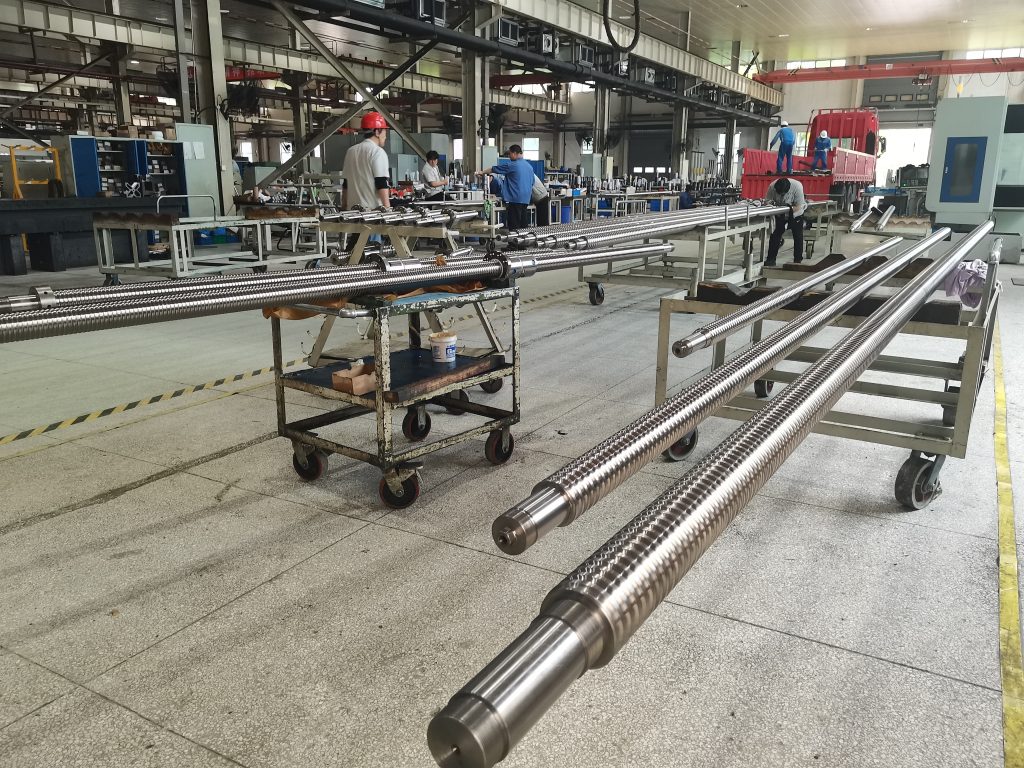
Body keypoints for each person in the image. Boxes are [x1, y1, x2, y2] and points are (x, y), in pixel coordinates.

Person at [341, 111, 391, 212]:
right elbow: (381, 183)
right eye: (384, 131)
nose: (385, 136)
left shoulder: (351, 151)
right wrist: (388, 209)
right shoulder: (377, 152)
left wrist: (344, 207)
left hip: (352, 212)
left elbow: (346, 184)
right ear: (377, 132)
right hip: (372, 213)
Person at [484, 145, 534, 231]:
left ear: (514, 153)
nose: (509, 156)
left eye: (509, 154)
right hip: (526, 199)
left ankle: (514, 240)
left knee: (514, 224)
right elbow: (532, 182)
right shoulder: (529, 167)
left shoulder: (512, 165)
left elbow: (494, 169)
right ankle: (524, 239)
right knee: (523, 223)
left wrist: (481, 172)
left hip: (515, 199)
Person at [764, 176, 806, 267]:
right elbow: (767, 201)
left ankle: (797, 260)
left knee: (798, 236)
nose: (781, 196)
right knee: (775, 236)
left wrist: (788, 209)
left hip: (795, 214)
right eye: (779, 194)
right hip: (779, 214)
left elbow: (799, 206)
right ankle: (771, 259)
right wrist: (771, 205)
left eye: (783, 194)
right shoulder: (772, 186)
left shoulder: (797, 186)